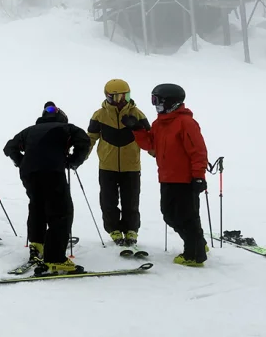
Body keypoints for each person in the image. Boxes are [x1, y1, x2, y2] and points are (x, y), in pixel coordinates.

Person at [124, 83, 209, 267]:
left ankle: (194, 255)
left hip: (185, 179)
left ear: (171, 102)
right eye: (153, 100)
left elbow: (198, 151)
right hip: (167, 177)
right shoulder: (159, 124)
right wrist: (137, 129)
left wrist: (198, 176)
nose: (155, 105)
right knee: (169, 215)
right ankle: (197, 242)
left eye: (157, 101)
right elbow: (150, 145)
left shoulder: (186, 123)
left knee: (186, 217)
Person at [4, 102, 91, 274]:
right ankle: (55, 258)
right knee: (61, 212)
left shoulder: (29, 130)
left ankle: (37, 244)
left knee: (37, 206)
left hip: (29, 173)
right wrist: (73, 161)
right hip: (52, 171)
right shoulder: (67, 128)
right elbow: (84, 141)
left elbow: (9, 147)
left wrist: (22, 162)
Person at [87, 79, 149, 246]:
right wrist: (80, 157)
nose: (122, 100)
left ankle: (131, 230)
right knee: (108, 200)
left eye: (125, 96)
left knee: (131, 200)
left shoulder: (137, 114)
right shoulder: (99, 115)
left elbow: (150, 139)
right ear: (108, 97)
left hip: (131, 166)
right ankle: (113, 229)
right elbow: (91, 138)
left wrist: (158, 154)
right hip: (107, 165)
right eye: (118, 97)